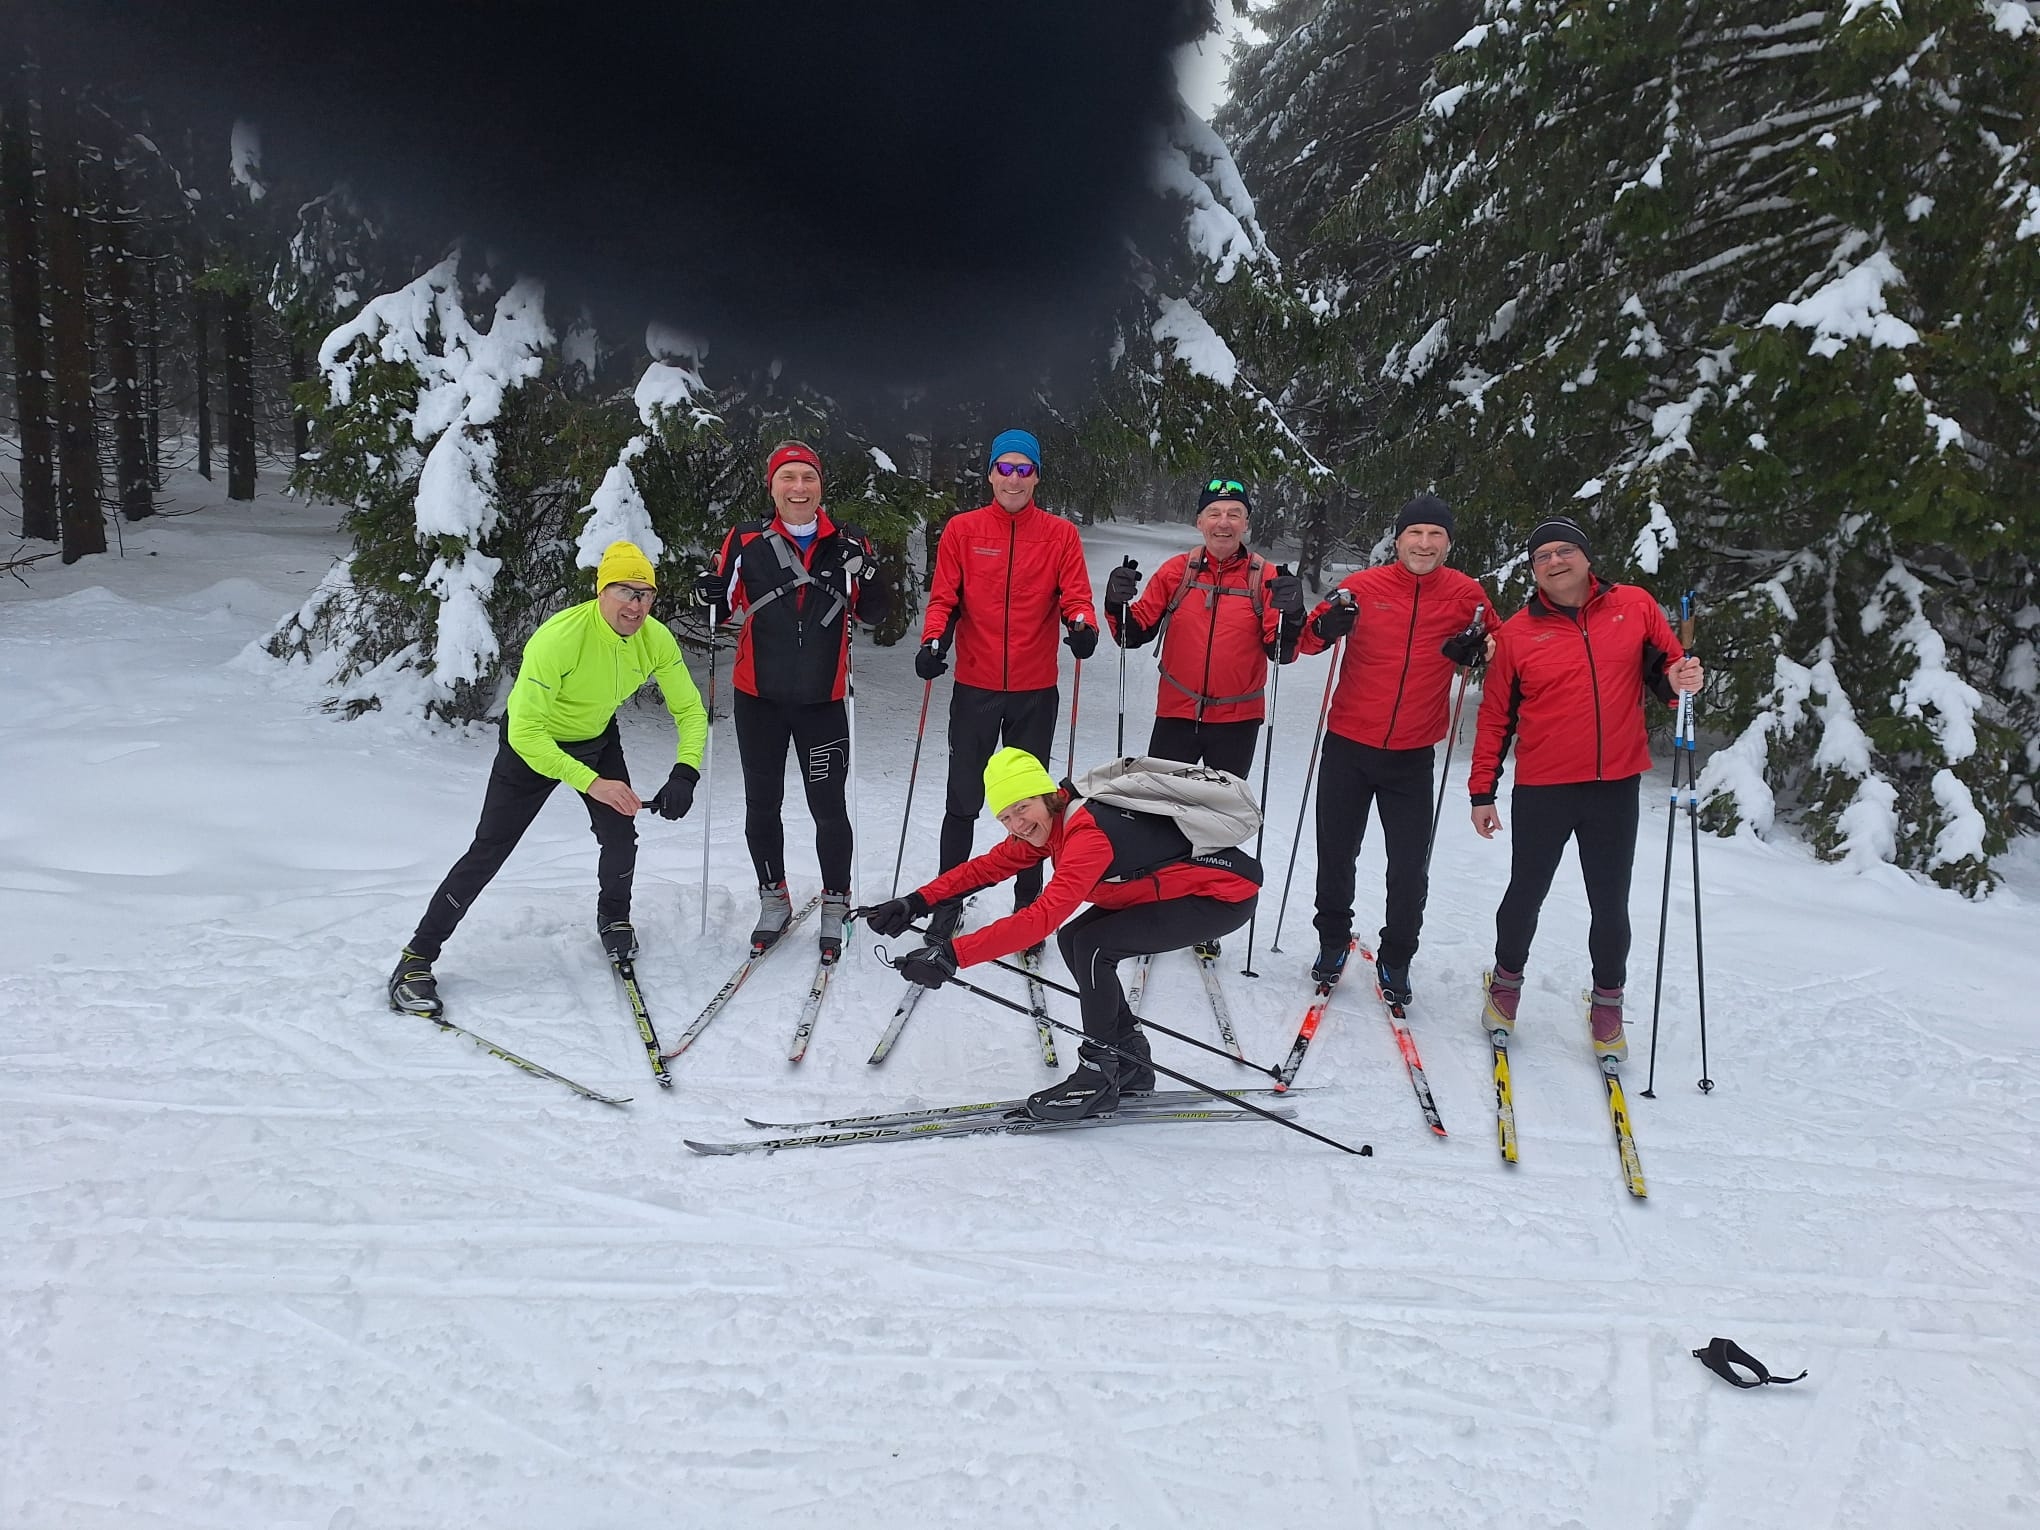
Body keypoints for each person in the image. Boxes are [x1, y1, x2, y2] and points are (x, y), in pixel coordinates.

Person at [388, 540, 707, 1017]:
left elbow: (689, 710)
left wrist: (686, 772)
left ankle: (614, 919)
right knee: (489, 850)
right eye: (625, 591)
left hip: (596, 738)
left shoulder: (654, 639)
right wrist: (592, 782)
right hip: (530, 747)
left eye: (646, 594)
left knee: (620, 836)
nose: (635, 605)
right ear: (602, 592)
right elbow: (525, 731)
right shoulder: (560, 638)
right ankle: (415, 960)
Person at [858, 748, 1261, 1121]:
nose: (1017, 824)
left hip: (1219, 898)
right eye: (1005, 817)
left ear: (1046, 794)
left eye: (1022, 808)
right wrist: (915, 902)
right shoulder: (1050, 825)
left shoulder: (1086, 835)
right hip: (1176, 891)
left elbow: (1040, 918)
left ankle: (1098, 1075)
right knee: (1076, 940)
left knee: (1093, 945)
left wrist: (952, 955)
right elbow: (986, 867)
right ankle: (1129, 1061)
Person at [1467, 516, 1703, 1060]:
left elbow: (1667, 669)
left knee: (1610, 901)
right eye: (1542, 555)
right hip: (1544, 787)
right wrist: (1483, 792)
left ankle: (1607, 1001)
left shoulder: (1635, 606)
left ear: (1586, 556)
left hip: (1615, 785)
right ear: (1533, 570)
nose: (1555, 561)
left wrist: (1681, 681)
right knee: (1526, 893)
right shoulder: (1517, 635)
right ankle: (1506, 983)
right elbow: (1495, 719)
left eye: (1564, 550)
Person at [1294, 492, 1492, 1004]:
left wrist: (1481, 648)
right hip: (1348, 745)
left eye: (1435, 536)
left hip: (1411, 754)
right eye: (1415, 534)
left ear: (1448, 543)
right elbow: (1303, 643)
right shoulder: (1363, 586)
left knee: (1408, 865)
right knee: (1336, 853)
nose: (1424, 544)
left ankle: (1397, 955)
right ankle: (1333, 941)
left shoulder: (1466, 594)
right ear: (1398, 538)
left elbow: (1501, 645)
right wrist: (1323, 626)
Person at [697, 440, 889, 958]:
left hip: (822, 702)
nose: (798, 488)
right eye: (788, 478)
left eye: (807, 477)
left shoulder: (849, 541)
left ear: (820, 485)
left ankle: (835, 900)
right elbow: (719, 605)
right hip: (758, 699)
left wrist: (867, 572)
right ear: (773, 486)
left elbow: (874, 614)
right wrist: (706, 595)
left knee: (828, 806)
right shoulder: (744, 539)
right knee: (763, 805)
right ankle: (773, 898)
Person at [915, 428, 1097, 941]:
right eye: (1005, 468)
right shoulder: (962, 529)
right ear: (991, 473)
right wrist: (934, 641)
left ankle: (1026, 903)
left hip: (1035, 690)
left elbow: (1076, 597)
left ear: (1036, 476)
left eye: (1024, 469)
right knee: (963, 797)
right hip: (975, 685)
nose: (1014, 479)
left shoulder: (1060, 534)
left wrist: (1082, 626)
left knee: (1036, 804)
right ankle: (947, 901)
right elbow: (944, 599)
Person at [1104, 477, 1306, 778]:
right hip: (1177, 713)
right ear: (1200, 521)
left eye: (1234, 514)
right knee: (1160, 810)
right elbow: (1132, 634)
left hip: (1238, 721)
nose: (1223, 523)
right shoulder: (1177, 571)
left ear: (1246, 523)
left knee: (1222, 818)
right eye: (1214, 513)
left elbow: (1281, 652)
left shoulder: (1266, 577)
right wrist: (1114, 601)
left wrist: (1293, 614)